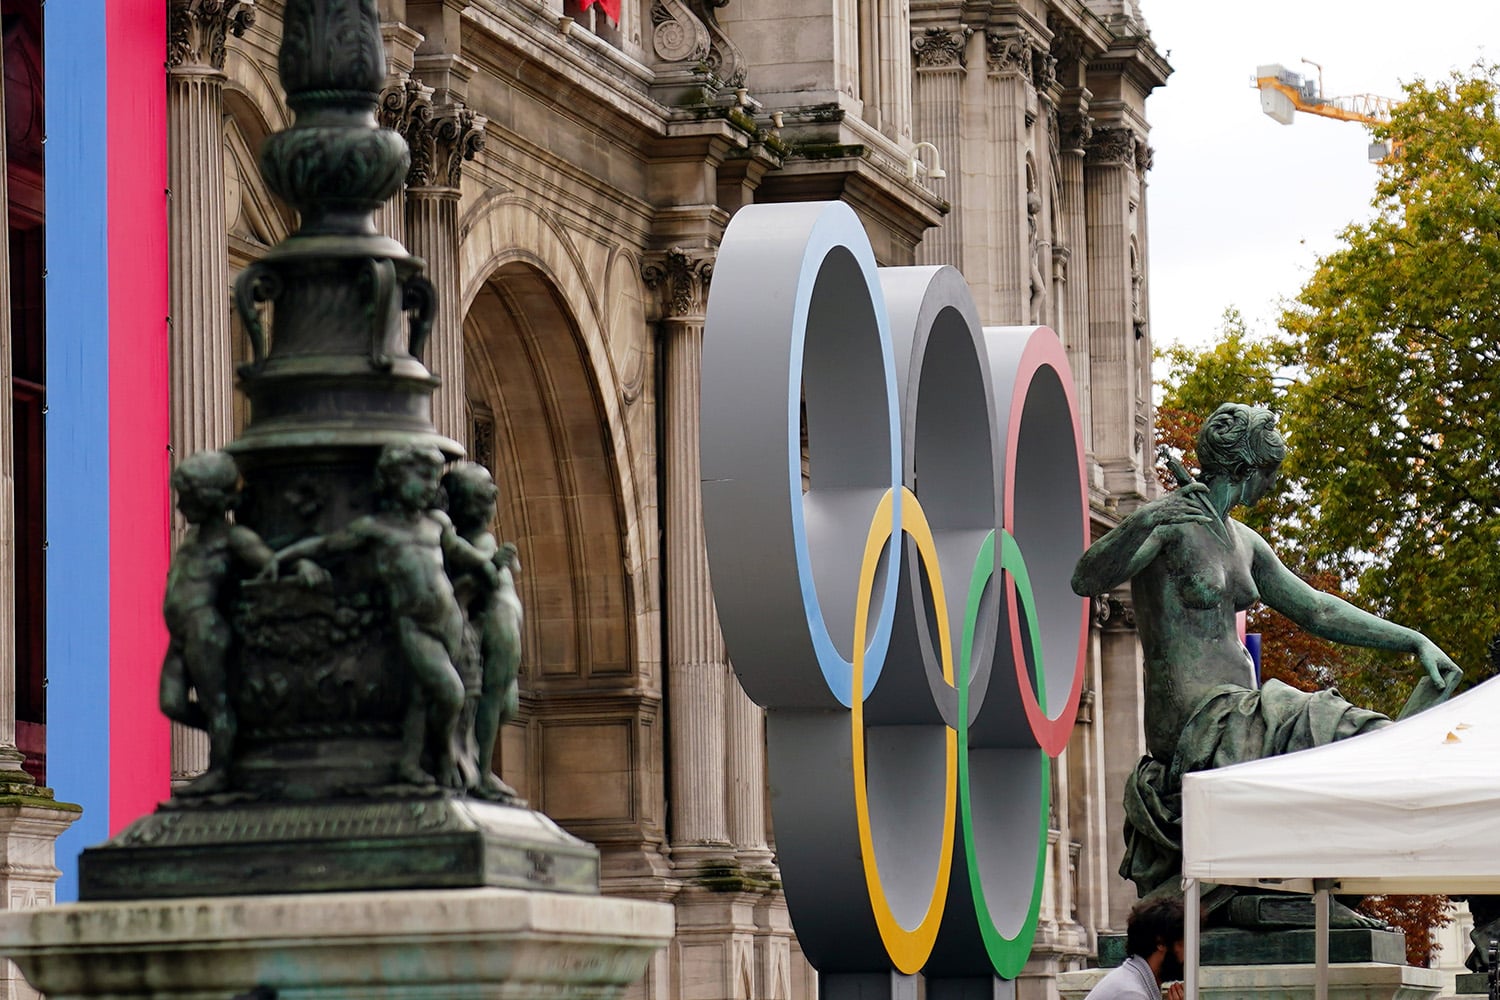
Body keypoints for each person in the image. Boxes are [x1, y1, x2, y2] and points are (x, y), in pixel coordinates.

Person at [1071, 403, 1462, 907]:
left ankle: (1331, 880)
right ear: (1242, 471)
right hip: (1198, 720)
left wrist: (1411, 639)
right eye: (1267, 474)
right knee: (1344, 728)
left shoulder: (1244, 541)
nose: (1270, 486)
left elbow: (1316, 609)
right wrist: (1150, 514)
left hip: (1246, 711)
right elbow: (1086, 578)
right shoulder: (1170, 527)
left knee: (1351, 745)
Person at [275, 444, 495, 789]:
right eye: (421, 477)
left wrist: (487, 566)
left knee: (423, 697)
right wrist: (286, 560)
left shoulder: (436, 523)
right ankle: (442, 757)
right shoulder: (375, 528)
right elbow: (325, 547)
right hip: (416, 624)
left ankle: (411, 763)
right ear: (393, 480)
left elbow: (461, 553)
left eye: (433, 478)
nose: (430, 486)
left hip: (449, 620)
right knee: (449, 693)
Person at [160, 450, 323, 796]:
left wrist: (301, 567)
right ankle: (238, 738)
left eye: (186, 498)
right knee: (170, 702)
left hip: (207, 631)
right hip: (182, 634)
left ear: (211, 499)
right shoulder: (193, 539)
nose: (179, 507)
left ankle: (223, 765)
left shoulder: (233, 538)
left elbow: (270, 561)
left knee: (217, 702)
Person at [441, 462, 524, 802]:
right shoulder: (473, 544)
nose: (493, 497)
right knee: (492, 700)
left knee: (506, 704)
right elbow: (467, 585)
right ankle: (483, 772)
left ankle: (481, 766)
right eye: (484, 493)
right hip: (495, 626)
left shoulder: (482, 540)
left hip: (504, 626)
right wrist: (492, 567)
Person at [1086, 897, 1186, 1000]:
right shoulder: (1131, 993)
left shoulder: (1133, 981)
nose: (1188, 954)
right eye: (1183, 944)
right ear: (1161, 943)